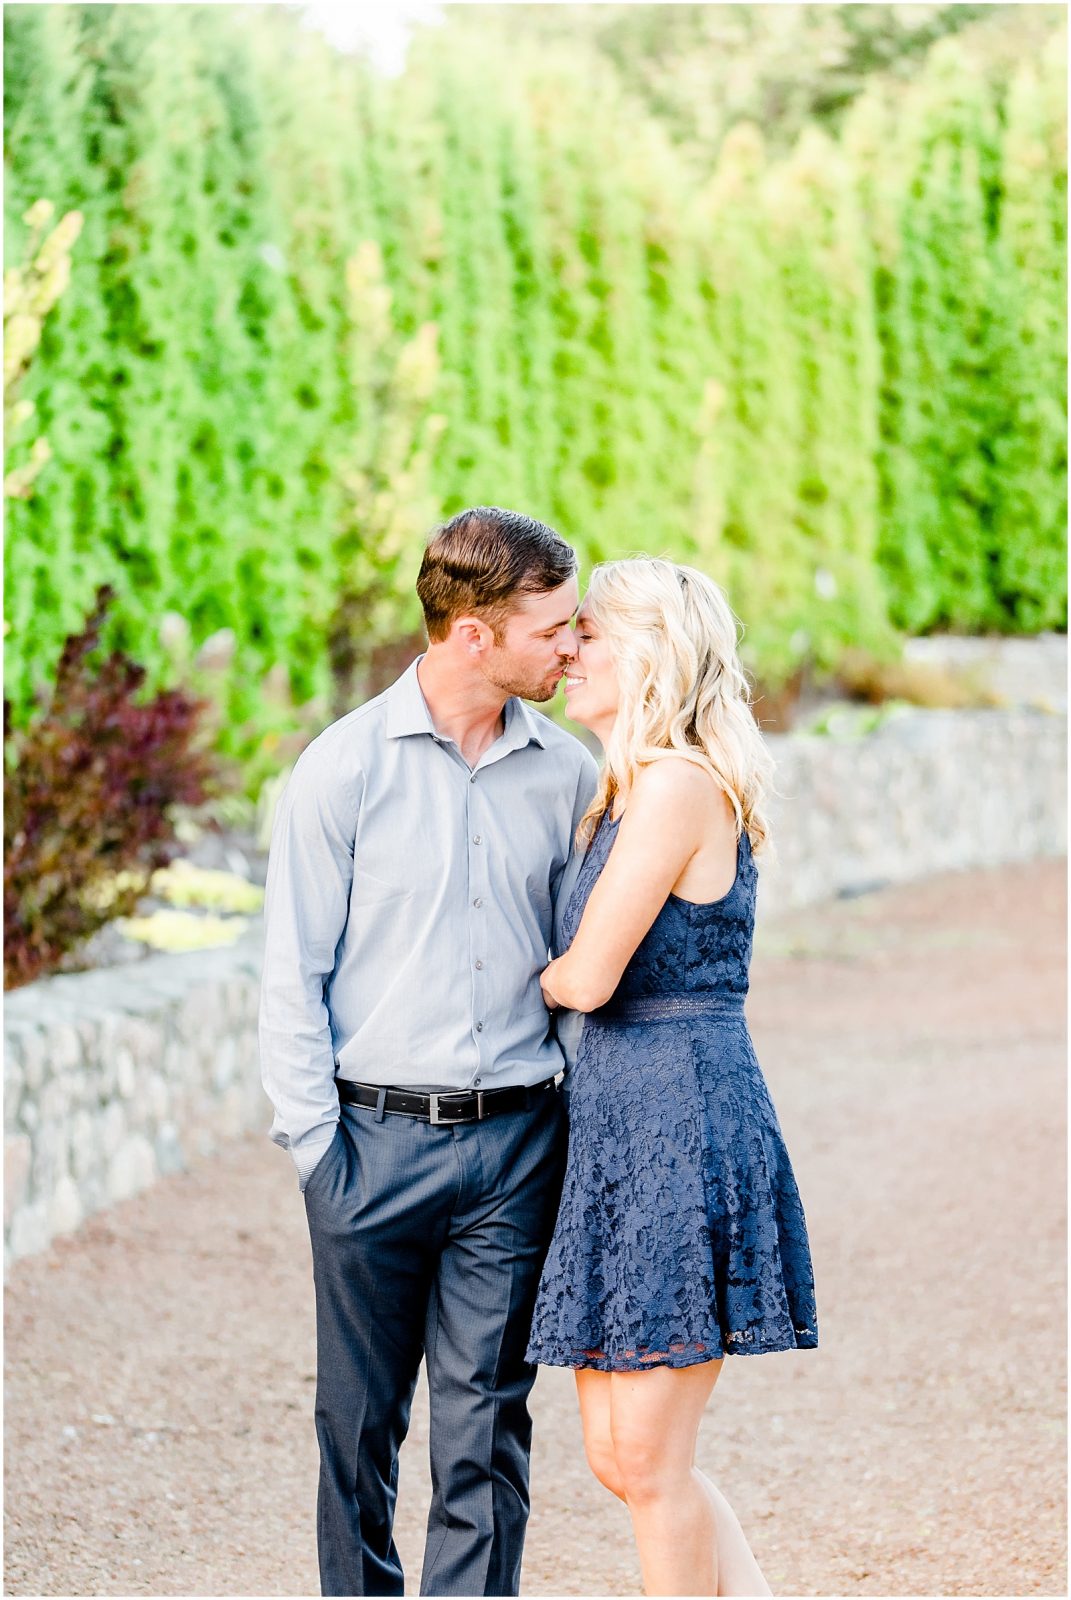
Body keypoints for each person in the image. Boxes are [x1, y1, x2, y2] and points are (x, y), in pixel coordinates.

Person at [259, 506, 598, 1597]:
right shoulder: (342, 769)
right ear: (472, 635)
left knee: (486, 1429)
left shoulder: (568, 777)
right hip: (369, 1143)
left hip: (514, 1147)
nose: (571, 646)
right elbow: (290, 974)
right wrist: (319, 1149)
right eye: (551, 628)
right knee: (356, 1428)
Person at [527, 557, 818, 1597]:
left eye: (591, 634)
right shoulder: (629, 788)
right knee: (624, 1461)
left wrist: (527, 972)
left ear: (649, 651)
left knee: (649, 1463)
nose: (569, 652)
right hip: (621, 1120)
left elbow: (590, 975)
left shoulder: (678, 785)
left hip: (680, 1118)